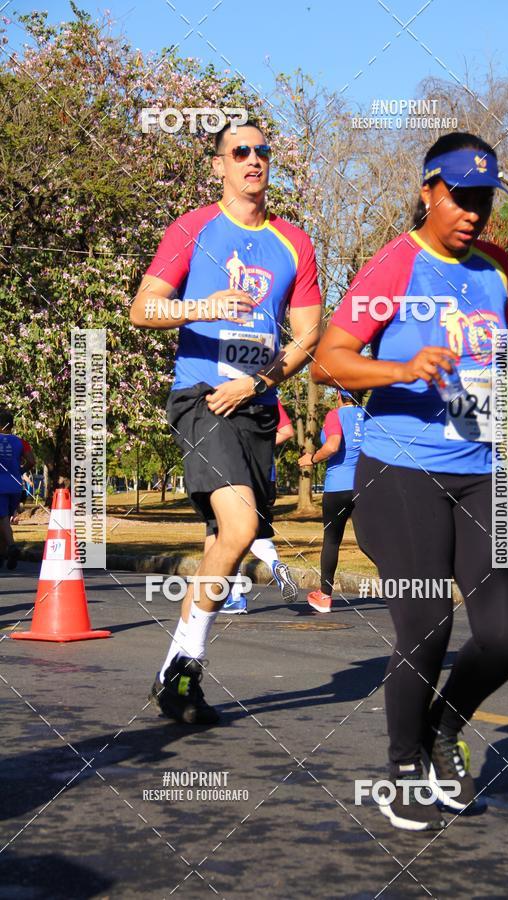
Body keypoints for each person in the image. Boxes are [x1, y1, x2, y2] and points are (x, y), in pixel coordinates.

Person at [312, 132, 508, 831]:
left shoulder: (496, 268)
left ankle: (446, 725)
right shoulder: (393, 265)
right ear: (427, 192)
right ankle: (405, 762)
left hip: (483, 471)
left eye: (483, 200)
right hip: (401, 470)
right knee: (427, 625)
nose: (472, 212)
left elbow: (479, 349)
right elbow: (329, 360)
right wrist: (401, 370)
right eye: (459, 198)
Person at [130, 120, 321, 725]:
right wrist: (200, 307)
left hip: (255, 405)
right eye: (240, 151)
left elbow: (310, 334)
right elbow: (142, 309)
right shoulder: (194, 228)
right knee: (238, 528)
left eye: (263, 150)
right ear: (219, 165)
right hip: (203, 396)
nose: (254, 159)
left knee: (223, 544)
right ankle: (182, 664)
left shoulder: (295, 243)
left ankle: (180, 670)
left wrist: (261, 383)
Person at [219, 396, 298, 614]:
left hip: (237, 475)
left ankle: (236, 597)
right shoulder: (271, 399)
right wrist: (261, 443)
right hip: (266, 476)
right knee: (257, 529)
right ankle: (275, 564)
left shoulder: (230, 397)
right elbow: (287, 431)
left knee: (229, 533)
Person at [298, 390, 364, 612]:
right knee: (370, 541)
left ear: (338, 394)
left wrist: (312, 459)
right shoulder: (370, 416)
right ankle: (403, 589)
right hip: (365, 486)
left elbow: (333, 445)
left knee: (332, 540)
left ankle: (324, 596)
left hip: (338, 487)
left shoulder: (335, 415)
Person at [0, 409, 35, 570]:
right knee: (4, 520)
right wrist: (19, 471)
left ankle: (12, 547)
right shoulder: (21, 442)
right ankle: (2, 556)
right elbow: (31, 461)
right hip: (15, 486)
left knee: (2, 519)